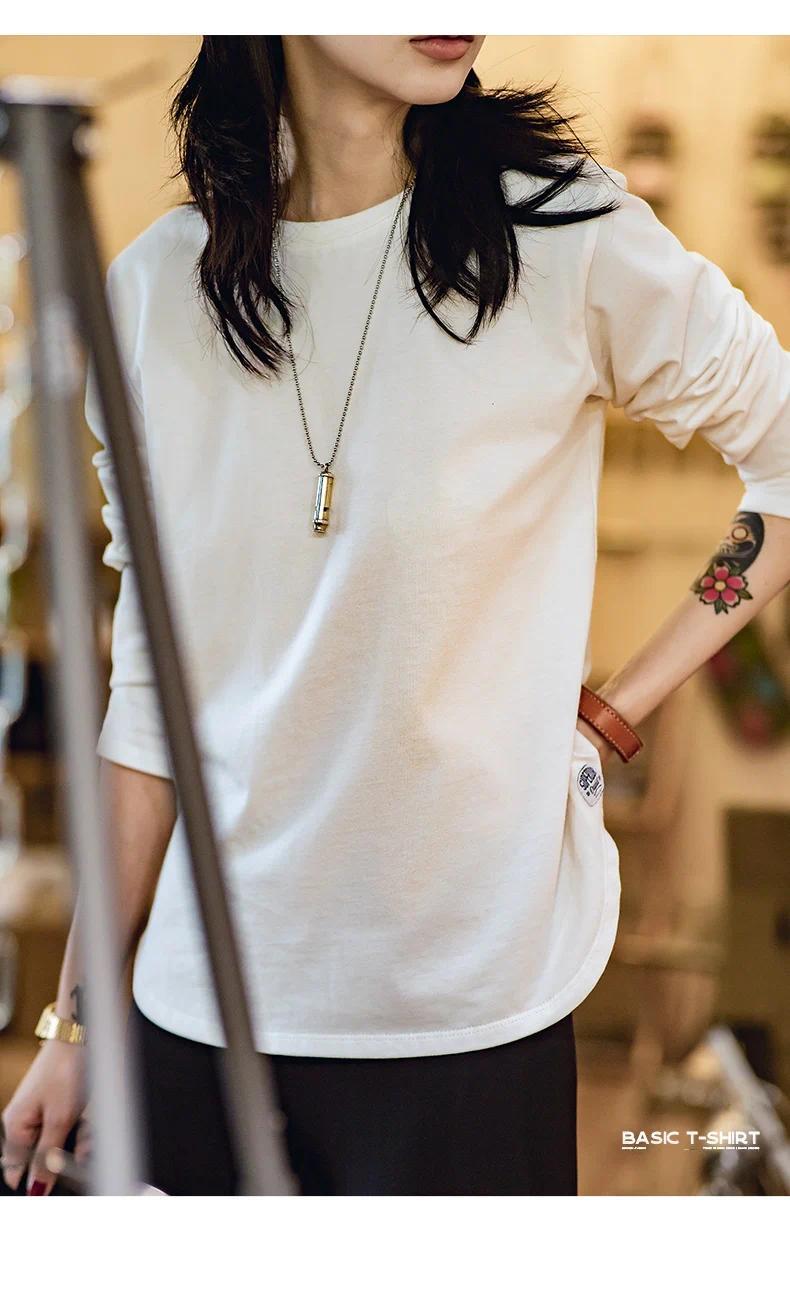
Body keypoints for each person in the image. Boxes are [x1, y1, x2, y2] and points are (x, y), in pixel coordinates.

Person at [2, 34, 790, 1197]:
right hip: (195, 1019)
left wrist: (612, 712)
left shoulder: (562, 236)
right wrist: (74, 1025)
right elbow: (153, 691)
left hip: (466, 1019)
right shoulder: (155, 291)